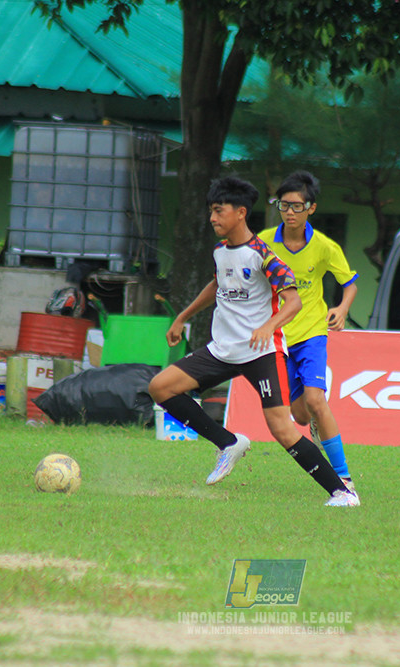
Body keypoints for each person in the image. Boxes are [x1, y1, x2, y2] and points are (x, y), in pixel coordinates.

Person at [148, 176, 359, 507]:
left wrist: (268, 326)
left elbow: (294, 301)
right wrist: (182, 317)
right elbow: (217, 284)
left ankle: (342, 492)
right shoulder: (221, 251)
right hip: (223, 351)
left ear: (241, 213)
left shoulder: (263, 255)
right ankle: (228, 443)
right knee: (161, 387)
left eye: (219, 211)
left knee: (284, 429)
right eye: (211, 211)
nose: (213, 218)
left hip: (261, 353)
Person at [259, 171, 359, 495]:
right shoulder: (262, 243)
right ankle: (315, 423)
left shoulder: (324, 247)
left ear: (311, 208)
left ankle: (343, 478)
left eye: (296, 206)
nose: (289, 212)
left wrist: (341, 310)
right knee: (300, 415)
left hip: (313, 332)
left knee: (317, 399)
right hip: (278, 338)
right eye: (283, 205)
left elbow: (350, 284)